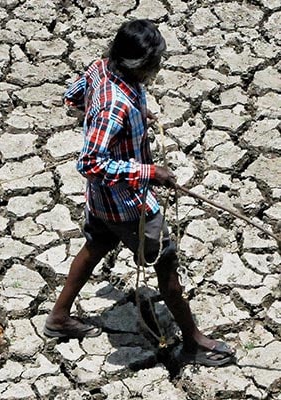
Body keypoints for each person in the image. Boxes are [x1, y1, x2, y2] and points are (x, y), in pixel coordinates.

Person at [44, 19, 236, 367]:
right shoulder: (115, 106)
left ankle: (58, 317)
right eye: (154, 63)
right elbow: (89, 163)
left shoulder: (101, 69)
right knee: (167, 265)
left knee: (97, 245)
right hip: (128, 206)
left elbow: (72, 98)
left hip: (101, 202)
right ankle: (193, 343)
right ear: (138, 65)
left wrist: (135, 115)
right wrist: (149, 171)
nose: (157, 69)